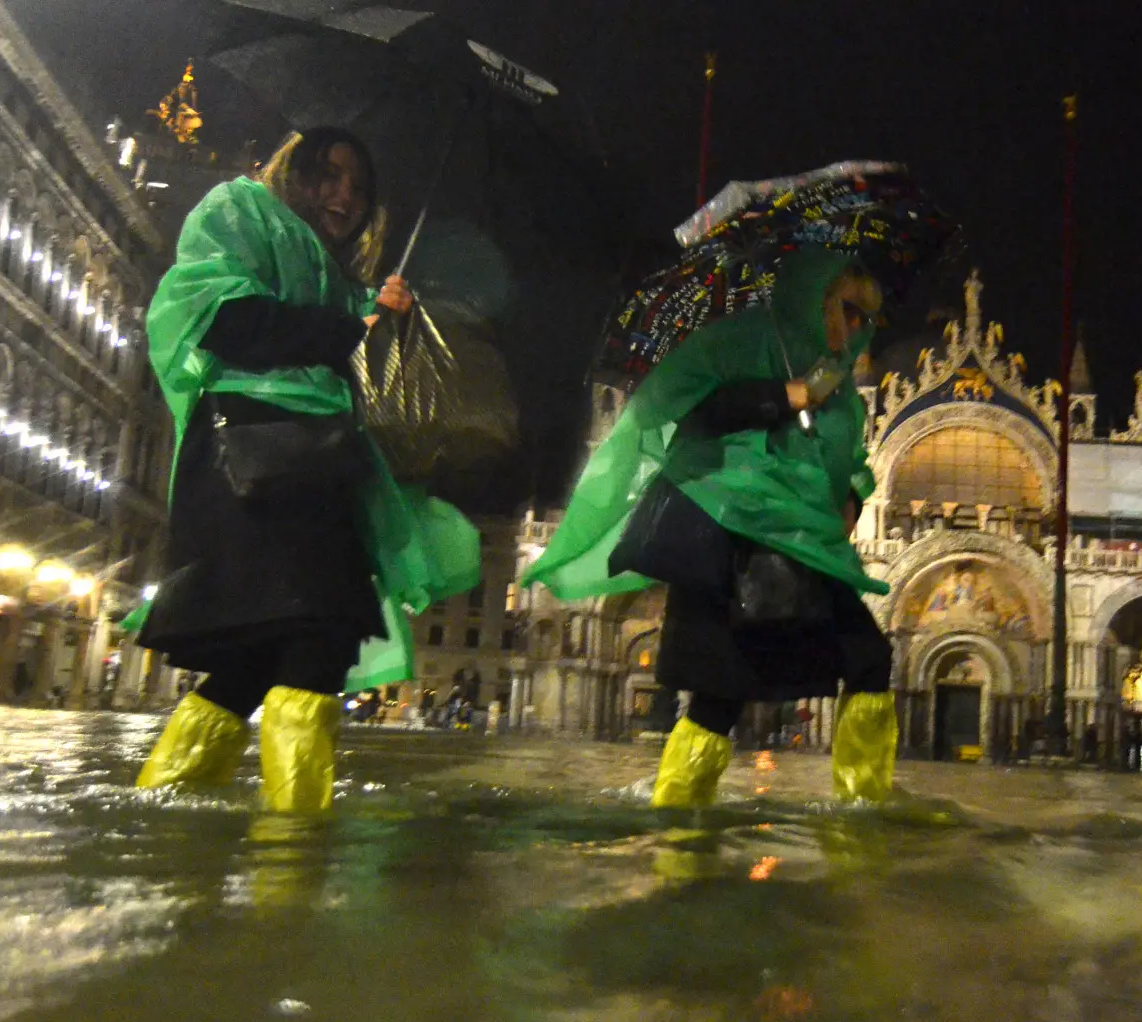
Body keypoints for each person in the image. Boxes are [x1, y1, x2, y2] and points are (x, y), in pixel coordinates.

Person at [131, 128, 479, 811]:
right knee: (315, 640)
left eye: (357, 186)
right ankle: (292, 852)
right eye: (327, 175)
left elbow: (353, 362)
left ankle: (164, 816)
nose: (344, 195)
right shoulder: (237, 209)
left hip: (320, 466)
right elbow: (223, 316)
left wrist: (382, 318)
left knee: (259, 657)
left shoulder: (338, 275)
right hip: (254, 459)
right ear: (293, 171)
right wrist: (350, 326)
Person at [523, 247, 897, 807]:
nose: (857, 328)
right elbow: (676, 404)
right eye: (848, 310)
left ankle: (864, 808)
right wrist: (782, 395)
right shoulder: (742, 341)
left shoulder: (836, 380)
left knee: (869, 657)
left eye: (868, 319)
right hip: (724, 532)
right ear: (814, 298)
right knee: (719, 693)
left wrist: (852, 495)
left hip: (801, 542)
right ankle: (675, 814)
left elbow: (854, 457)